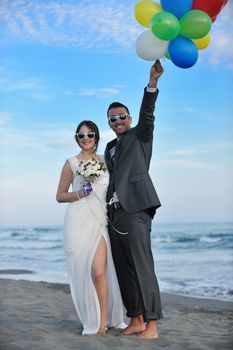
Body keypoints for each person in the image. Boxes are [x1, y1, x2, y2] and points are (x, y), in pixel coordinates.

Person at [104, 60, 164, 339]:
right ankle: (136, 318)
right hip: (114, 213)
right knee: (124, 268)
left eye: (122, 116)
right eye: (112, 119)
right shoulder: (110, 147)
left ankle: (152, 324)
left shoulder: (140, 135)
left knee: (142, 266)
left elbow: (148, 113)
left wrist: (151, 84)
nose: (118, 121)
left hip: (136, 209)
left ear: (129, 118)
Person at [56, 120, 126, 335]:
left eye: (90, 134)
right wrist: (80, 193)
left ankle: (103, 321)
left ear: (96, 137)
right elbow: (59, 196)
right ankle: (92, 319)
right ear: (76, 138)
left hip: (100, 220)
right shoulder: (71, 163)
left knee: (98, 272)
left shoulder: (106, 161)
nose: (85, 138)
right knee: (84, 273)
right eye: (81, 135)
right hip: (78, 220)